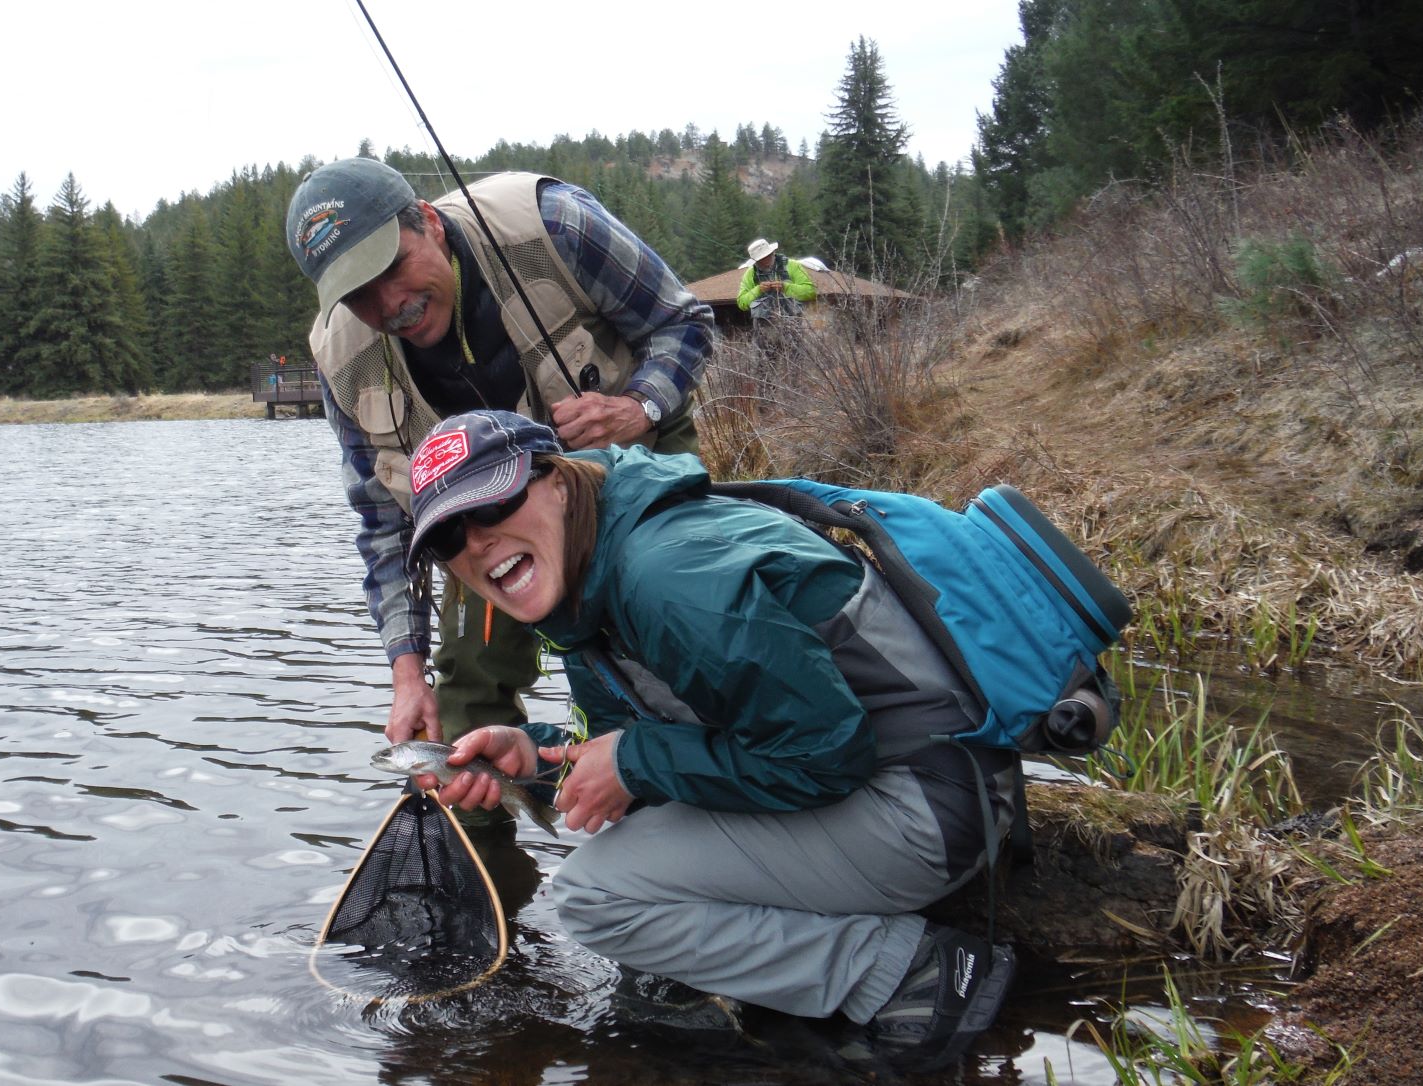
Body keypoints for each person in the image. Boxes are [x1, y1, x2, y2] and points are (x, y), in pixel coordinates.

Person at [400, 408, 1020, 1068]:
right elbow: (643, 751)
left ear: (556, 480)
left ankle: (902, 972)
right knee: (628, 840)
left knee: (593, 899)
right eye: (446, 540)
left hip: (927, 805)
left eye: (493, 503)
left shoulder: (665, 574)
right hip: (913, 781)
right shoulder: (593, 574)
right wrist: (533, 761)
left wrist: (636, 762)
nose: (474, 542)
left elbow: (827, 753)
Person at [284, 158, 715, 792]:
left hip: (628, 474)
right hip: (480, 525)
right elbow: (382, 525)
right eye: (358, 294)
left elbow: (683, 323)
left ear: (428, 221)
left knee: (685, 652)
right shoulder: (341, 357)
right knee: (464, 721)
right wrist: (407, 671)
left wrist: (637, 406)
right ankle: (500, 867)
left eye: (392, 269)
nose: (389, 305)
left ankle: (706, 794)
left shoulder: (549, 223)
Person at [736, 237, 815, 330]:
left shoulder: (792, 265)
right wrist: (758, 290)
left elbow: (811, 292)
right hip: (763, 330)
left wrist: (785, 287)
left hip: (793, 326)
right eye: (761, 260)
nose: (765, 262)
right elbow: (742, 303)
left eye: (767, 257)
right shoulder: (750, 274)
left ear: (772, 253)